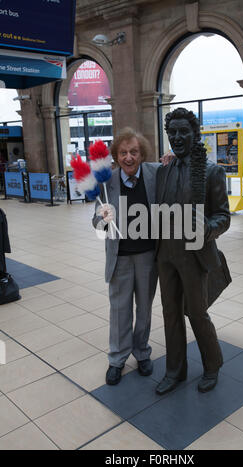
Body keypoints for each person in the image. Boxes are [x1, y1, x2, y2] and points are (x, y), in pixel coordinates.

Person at [155, 107, 231, 395]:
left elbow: (223, 216)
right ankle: (175, 371)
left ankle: (212, 365)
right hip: (166, 254)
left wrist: (206, 229)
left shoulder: (211, 171)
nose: (177, 137)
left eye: (183, 132)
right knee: (170, 313)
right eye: (172, 132)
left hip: (193, 254)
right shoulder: (164, 170)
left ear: (195, 134)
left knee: (197, 313)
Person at [92, 128, 161, 386]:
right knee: (120, 311)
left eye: (134, 151)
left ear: (141, 153)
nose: (129, 157)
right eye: (123, 153)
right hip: (120, 257)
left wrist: (172, 159)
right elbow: (96, 225)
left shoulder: (155, 173)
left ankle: (141, 352)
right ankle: (117, 358)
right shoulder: (106, 182)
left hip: (148, 256)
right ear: (116, 156)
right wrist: (102, 219)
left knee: (144, 309)